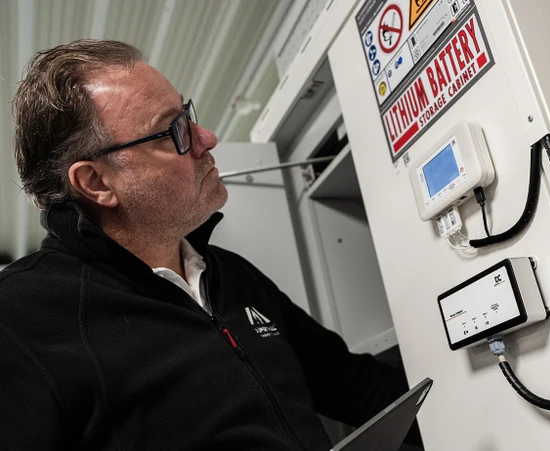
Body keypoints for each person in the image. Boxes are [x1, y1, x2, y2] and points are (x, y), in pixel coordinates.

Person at [0, 40, 410, 450]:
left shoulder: (227, 273)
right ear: (97, 182)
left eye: (187, 115)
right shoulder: (20, 316)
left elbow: (359, 388)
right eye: (172, 131)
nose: (207, 139)